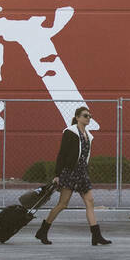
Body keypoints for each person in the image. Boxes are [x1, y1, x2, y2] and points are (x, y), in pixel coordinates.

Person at [34, 105, 111, 245]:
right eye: (85, 116)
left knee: (90, 202)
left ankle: (96, 236)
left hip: (82, 172)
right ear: (77, 118)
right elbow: (62, 154)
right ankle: (43, 231)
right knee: (62, 204)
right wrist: (57, 174)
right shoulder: (70, 132)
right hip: (70, 172)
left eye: (90, 116)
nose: (88, 118)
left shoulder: (88, 135)